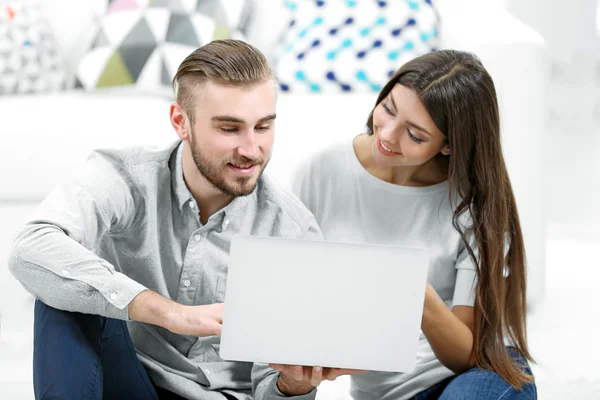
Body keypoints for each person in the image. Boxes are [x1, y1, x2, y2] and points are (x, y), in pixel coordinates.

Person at [8, 39, 356, 400]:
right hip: (126, 382)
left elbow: (271, 392)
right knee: (62, 286)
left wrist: (294, 386)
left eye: (263, 127)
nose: (252, 149)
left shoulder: (292, 231)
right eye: (229, 128)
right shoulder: (126, 177)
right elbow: (30, 248)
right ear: (181, 121)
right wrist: (169, 313)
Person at [289, 50, 538, 399]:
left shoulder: (472, 203)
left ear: (448, 145)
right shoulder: (320, 172)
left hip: (477, 375)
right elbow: (292, 293)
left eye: (415, 135)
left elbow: (467, 355)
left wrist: (413, 292)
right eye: (388, 109)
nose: (388, 136)